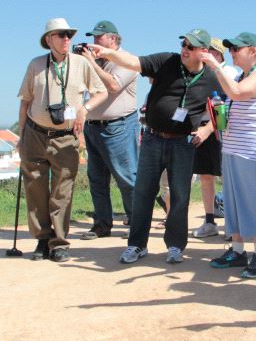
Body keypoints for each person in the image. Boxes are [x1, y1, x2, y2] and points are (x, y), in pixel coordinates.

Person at [88, 28, 221, 264]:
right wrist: (107, 52)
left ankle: (176, 246)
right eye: (184, 44)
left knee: (180, 196)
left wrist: (207, 129)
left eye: (191, 47)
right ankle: (137, 245)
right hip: (152, 139)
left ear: (203, 51)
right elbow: (132, 61)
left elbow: (222, 110)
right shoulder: (166, 60)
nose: (185, 50)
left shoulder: (212, 77)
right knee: (143, 193)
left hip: (183, 143)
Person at [17, 18, 107, 262]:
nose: (67, 38)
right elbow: (25, 101)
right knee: (35, 189)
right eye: (61, 34)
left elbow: (102, 91)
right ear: (49, 40)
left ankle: (59, 243)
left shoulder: (80, 64)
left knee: (62, 191)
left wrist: (84, 109)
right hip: (35, 134)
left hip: (66, 137)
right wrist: (21, 137)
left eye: (69, 34)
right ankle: (42, 240)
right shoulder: (36, 64)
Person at [201, 32, 256, 278]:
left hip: (253, 148)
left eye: (236, 48)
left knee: (251, 201)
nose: (232, 52)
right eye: (230, 49)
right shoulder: (243, 74)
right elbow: (233, 97)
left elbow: (236, 92)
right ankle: (237, 250)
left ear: (254, 50)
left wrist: (214, 65)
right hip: (234, 146)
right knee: (233, 201)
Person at [79, 20, 139, 240]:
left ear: (113, 39)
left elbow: (113, 86)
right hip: (93, 126)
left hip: (119, 126)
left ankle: (136, 223)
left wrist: (91, 63)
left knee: (126, 178)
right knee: (96, 178)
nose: (95, 42)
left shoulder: (127, 60)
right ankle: (102, 225)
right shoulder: (98, 60)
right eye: (94, 37)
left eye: (99, 37)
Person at [192, 37, 237, 238]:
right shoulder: (201, 72)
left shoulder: (228, 73)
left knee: (227, 176)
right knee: (205, 175)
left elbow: (226, 106)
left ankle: (232, 223)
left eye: (206, 51)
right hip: (203, 126)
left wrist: (210, 129)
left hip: (222, 128)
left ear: (216, 54)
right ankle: (210, 221)